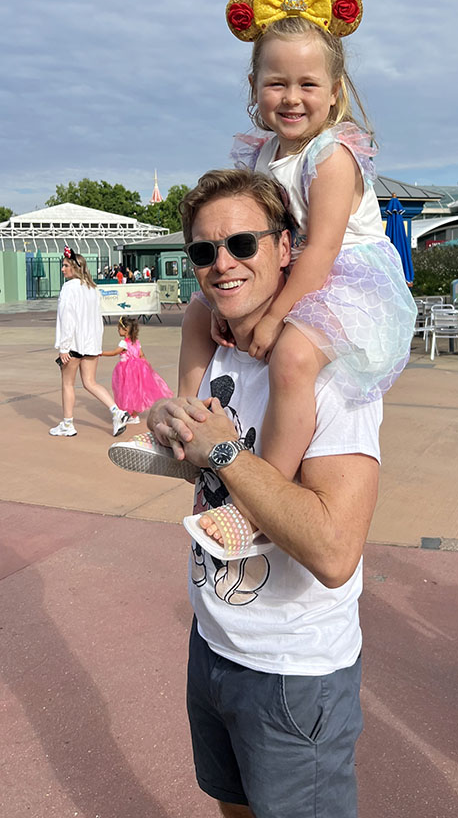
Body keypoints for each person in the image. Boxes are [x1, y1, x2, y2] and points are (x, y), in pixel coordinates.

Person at [144, 168, 382, 818]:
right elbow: (201, 462)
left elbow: (335, 553)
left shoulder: (333, 376)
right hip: (214, 642)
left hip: (294, 674)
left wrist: (224, 451)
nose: (221, 264)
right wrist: (169, 418)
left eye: (242, 244)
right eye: (203, 251)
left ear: (285, 247)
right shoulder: (217, 347)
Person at [178, 0, 416, 486]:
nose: (291, 98)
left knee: (290, 355)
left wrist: (271, 321)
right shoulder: (263, 154)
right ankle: (187, 422)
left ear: (334, 94)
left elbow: (322, 251)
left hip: (347, 282)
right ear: (255, 89)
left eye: (307, 84)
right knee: (198, 311)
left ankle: (270, 483)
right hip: (298, 274)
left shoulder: (331, 157)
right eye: (276, 83)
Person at [50, 247, 130, 438]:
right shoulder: (93, 289)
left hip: (74, 345)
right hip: (91, 343)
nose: (62, 269)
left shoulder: (69, 288)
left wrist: (64, 346)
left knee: (68, 384)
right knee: (90, 382)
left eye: (65, 265)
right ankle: (116, 412)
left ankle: (68, 424)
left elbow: (66, 318)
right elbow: (97, 318)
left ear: (75, 268)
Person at [101, 315, 173, 423]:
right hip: (138, 370)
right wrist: (145, 365)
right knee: (136, 391)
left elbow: (114, 352)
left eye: (119, 329)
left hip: (126, 370)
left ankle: (130, 415)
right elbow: (141, 354)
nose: (118, 331)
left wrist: (101, 353)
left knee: (127, 391)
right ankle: (134, 415)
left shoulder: (123, 343)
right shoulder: (136, 342)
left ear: (125, 330)